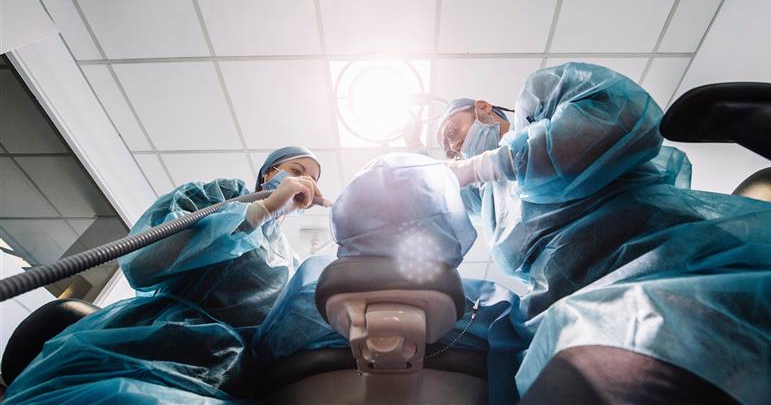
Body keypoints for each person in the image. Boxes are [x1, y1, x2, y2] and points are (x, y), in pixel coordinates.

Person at [437, 63, 771, 405]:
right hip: (576, 309)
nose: (453, 149)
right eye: (448, 149)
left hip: (669, 264)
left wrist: (490, 163)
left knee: (609, 370)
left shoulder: (540, 102)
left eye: (452, 133)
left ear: (483, 109)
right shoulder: (489, 205)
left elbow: (624, 118)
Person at [4, 147, 329, 404]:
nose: (305, 183)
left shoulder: (291, 261)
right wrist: (257, 212)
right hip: (142, 346)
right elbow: (144, 261)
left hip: (222, 375)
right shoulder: (225, 196)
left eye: (312, 180)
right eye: (297, 171)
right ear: (269, 173)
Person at [252, 153, 527, 405]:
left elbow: (260, 361)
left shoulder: (309, 290)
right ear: (447, 216)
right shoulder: (490, 301)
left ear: (347, 218)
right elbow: (520, 366)